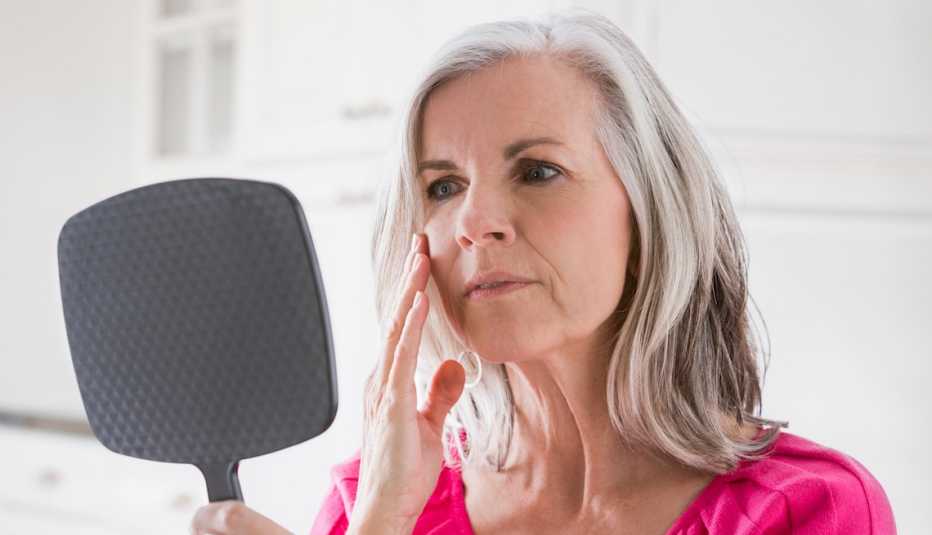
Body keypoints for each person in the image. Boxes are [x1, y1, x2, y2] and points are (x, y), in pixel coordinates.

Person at [190, 9, 897, 535]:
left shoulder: (805, 510)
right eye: (441, 185)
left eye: (538, 171)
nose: (474, 220)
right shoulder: (377, 500)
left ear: (650, 211)